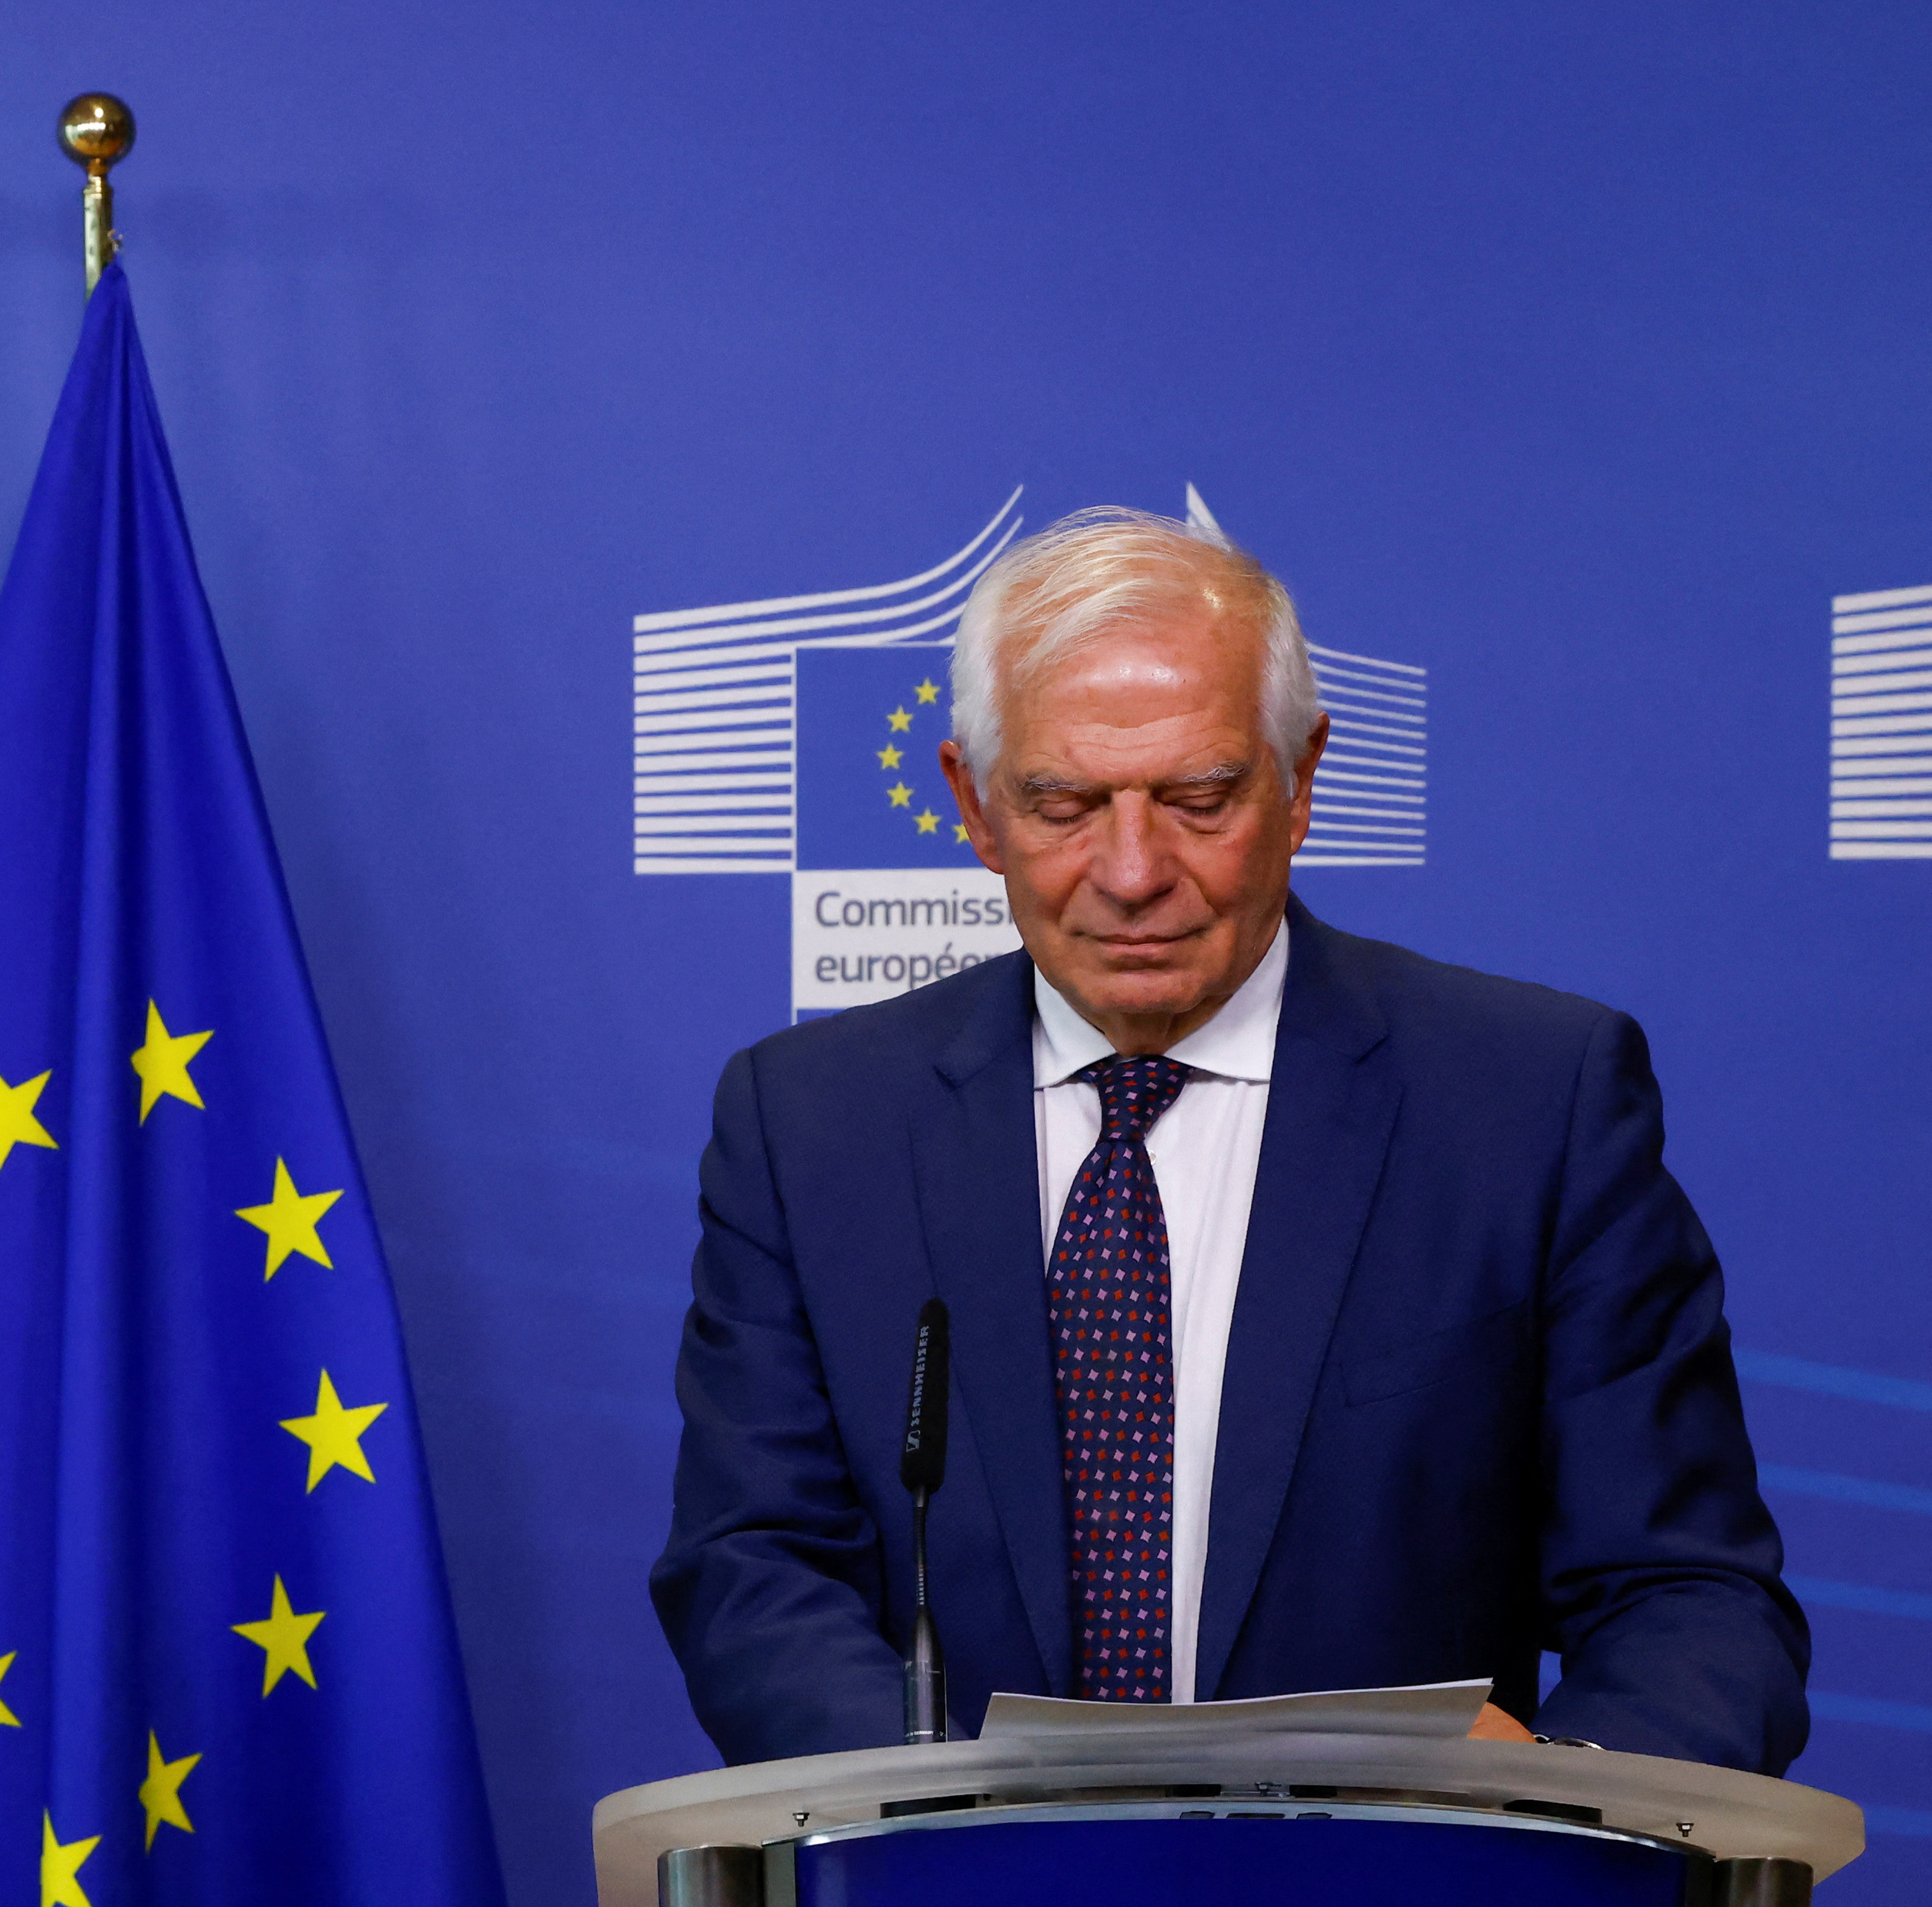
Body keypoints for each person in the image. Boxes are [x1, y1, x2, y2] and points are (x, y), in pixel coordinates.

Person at [650, 508, 1805, 1771]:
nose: (1133, 869)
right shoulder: (811, 1122)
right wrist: (961, 1827)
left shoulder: (1531, 1104)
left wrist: (1543, 1815)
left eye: (1200, 798)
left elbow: (1688, 1598)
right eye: (1065, 804)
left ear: (1301, 781)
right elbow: (753, 1568)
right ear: (973, 809)